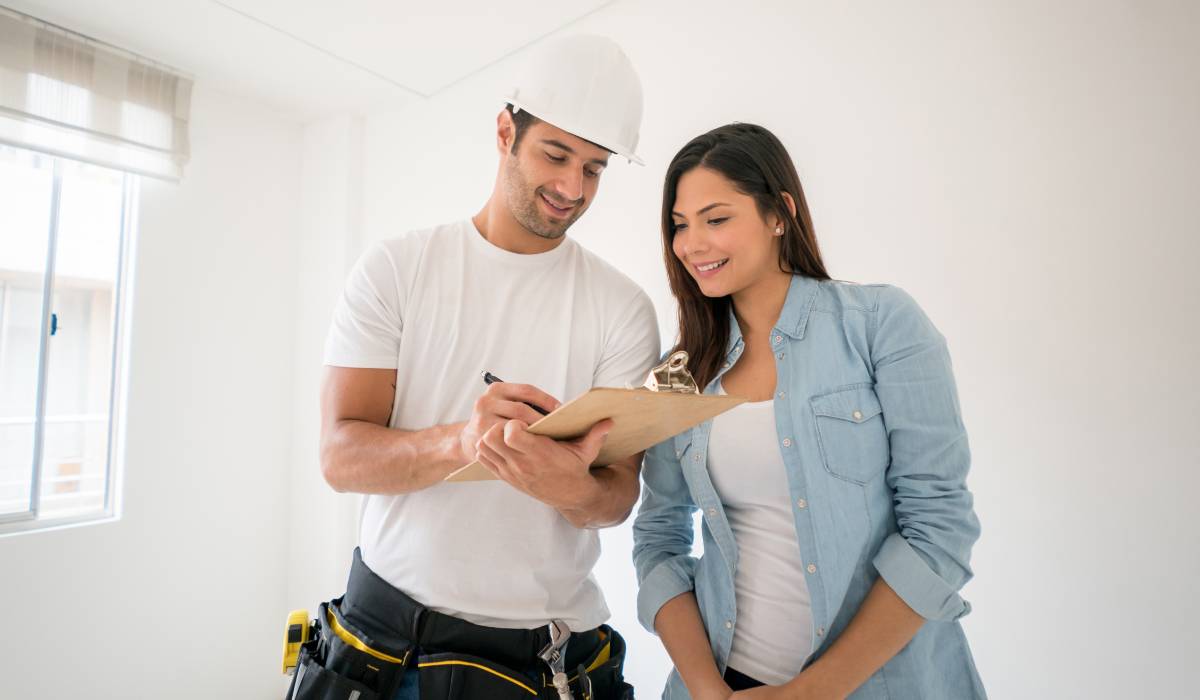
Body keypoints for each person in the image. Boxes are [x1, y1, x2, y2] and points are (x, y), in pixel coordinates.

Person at [293, 35, 660, 700]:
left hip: (547, 664)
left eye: (595, 168)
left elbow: (618, 495)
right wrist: (463, 443)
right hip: (388, 652)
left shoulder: (623, 310)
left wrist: (569, 488)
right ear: (504, 131)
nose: (572, 188)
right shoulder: (397, 271)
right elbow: (339, 456)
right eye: (555, 154)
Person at [632, 123, 986, 699]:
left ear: (780, 213)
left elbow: (938, 530)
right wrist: (705, 689)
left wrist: (811, 692)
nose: (692, 243)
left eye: (716, 218)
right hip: (720, 681)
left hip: (877, 685)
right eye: (679, 224)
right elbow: (658, 539)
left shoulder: (882, 324)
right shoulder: (676, 376)